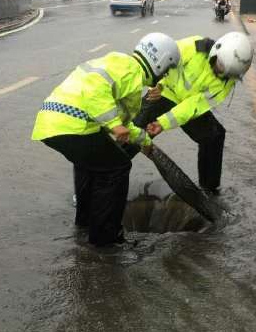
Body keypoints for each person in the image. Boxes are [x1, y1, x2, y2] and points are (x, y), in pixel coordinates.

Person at [31, 33, 181, 246]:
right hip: (74, 123)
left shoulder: (127, 72)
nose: (164, 76)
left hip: (52, 122)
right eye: (166, 70)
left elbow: (125, 123)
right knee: (117, 167)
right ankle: (105, 238)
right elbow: (95, 87)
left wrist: (144, 142)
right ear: (160, 63)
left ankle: (85, 222)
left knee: (91, 165)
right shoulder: (128, 67)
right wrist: (113, 124)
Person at [131, 32, 253, 194]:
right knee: (134, 130)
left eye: (228, 73)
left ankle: (209, 188)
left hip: (187, 104)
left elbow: (193, 106)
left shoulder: (226, 82)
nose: (221, 73)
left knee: (214, 136)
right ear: (216, 52)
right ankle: (111, 168)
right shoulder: (195, 47)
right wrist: (157, 84)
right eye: (221, 66)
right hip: (164, 92)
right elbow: (166, 59)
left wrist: (162, 123)